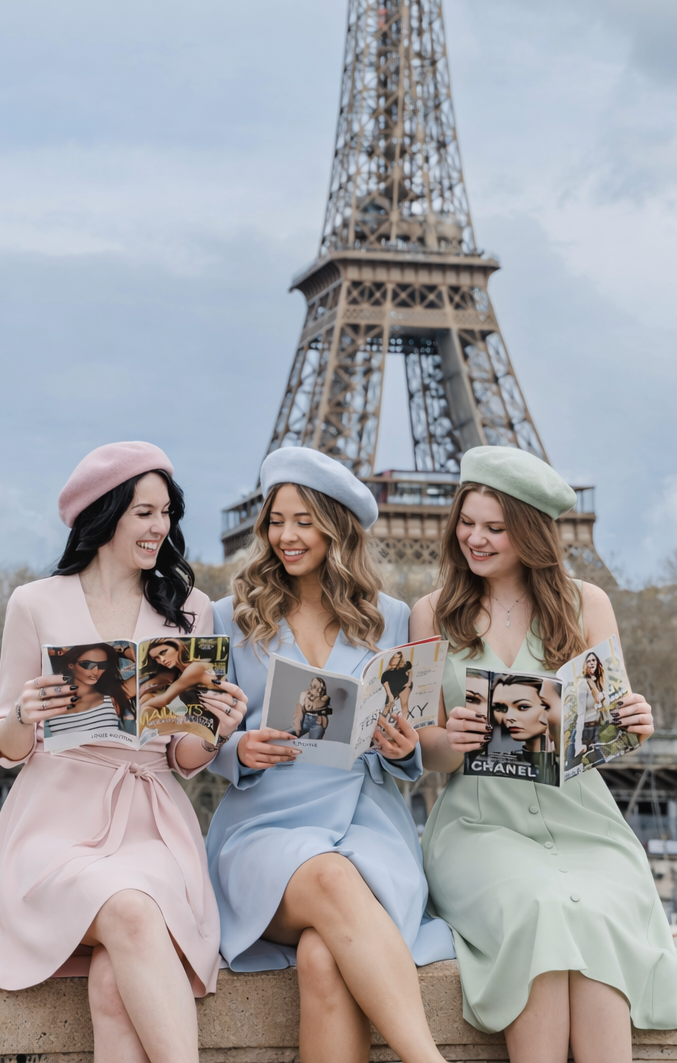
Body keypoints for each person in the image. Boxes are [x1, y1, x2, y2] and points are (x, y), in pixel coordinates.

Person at [0, 441, 248, 1063]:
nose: (160, 527)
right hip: (54, 820)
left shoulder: (190, 609)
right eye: (144, 512)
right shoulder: (33, 602)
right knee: (134, 914)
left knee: (118, 979)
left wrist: (214, 729)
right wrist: (22, 715)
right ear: (105, 512)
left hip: (154, 826)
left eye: (166, 512)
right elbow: (8, 749)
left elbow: (181, 759)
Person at [411, 445, 677, 1063]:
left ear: (532, 533)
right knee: (538, 906)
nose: (475, 540)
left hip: (583, 824)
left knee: (593, 913)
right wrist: (451, 740)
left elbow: (609, 730)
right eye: (466, 523)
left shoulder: (587, 603)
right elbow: (424, 750)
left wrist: (634, 722)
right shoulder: (431, 613)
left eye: (495, 528)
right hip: (479, 826)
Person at [206, 445, 455, 1063]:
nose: (285, 536)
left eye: (303, 521)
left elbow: (414, 741)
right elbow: (195, 743)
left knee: (323, 957)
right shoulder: (225, 619)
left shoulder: (393, 620)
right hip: (265, 828)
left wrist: (402, 749)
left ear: (336, 527)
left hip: (367, 826)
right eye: (276, 521)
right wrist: (238, 748)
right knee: (328, 875)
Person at [45, 643, 136, 739]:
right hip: (65, 753)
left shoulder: (111, 698)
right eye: (88, 664)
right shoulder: (50, 699)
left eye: (102, 665)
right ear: (71, 665)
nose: (95, 671)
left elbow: (148, 668)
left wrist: (123, 652)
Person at [380, 650, 413, 722]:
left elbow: (410, 671)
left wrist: (409, 682)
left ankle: (405, 722)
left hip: (404, 685)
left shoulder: (402, 667)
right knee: (388, 705)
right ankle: (383, 722)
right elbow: (385, 684)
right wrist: (390, 695)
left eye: (398, 658)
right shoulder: (386, 673)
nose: (396, 660)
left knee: (404, 705)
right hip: (393, 689)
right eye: (395, 658)